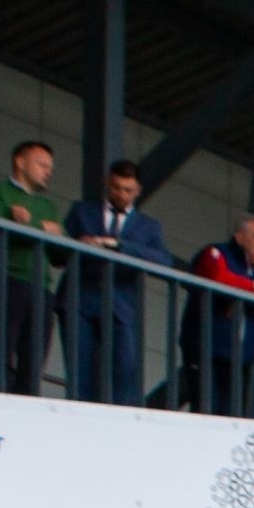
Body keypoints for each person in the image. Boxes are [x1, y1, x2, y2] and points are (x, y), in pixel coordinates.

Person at [61, 161, 169, 405]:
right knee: (79, 371)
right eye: (116, 188)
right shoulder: (82, 211)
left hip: (122, 305)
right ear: (108, 184)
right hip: (80, 298)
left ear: (138, 190)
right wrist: (78, 243)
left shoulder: (149, 226)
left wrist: (118, 245)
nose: (121, 194)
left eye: (128, 190)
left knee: (125, 371)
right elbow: (58, 256)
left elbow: (163, 260)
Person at [0, 141, 64, 394]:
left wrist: (26, 225)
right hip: (7, 277)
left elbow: (60, 254)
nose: (48, 171)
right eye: (42, 164)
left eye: (50, 167)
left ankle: (27, 403)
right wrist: (42, 230)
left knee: (35, 355)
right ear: (20, 162)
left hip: (42, 286)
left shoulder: (48, 206)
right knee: (5, 346)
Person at [181, 214, 254, 416]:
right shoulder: (216, 252)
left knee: (232, 418)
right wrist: (250, 287)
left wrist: (247, 295)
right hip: (206, 349)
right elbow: (217, 276)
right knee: (206, 410)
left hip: (241, 358)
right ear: (240, 237)